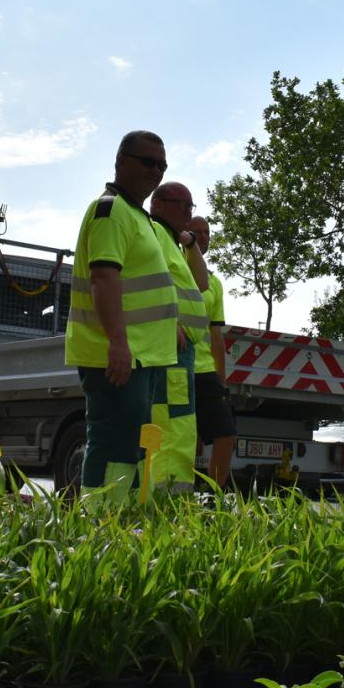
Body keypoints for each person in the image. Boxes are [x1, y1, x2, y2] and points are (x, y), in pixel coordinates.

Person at [63, 131, 179, 495]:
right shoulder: (111, 211)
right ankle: (99, 515)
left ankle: (120, 514)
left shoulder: (135, 215)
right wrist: (118, 343)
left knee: (129, 442)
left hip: (140, 354)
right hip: (118, 354)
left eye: (162, 165)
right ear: (121, 161)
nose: (156, 171)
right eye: (148, 162)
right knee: (113, 439)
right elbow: (103, 278)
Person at [147, 182, 209, 487]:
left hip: (180, 350)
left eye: (191, 206)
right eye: (181, 205)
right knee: (172, 425)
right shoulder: (155, 233)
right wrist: (169, 323)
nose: (188, 212)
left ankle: (171, 493)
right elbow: (145, 279)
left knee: (180, 424)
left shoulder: (173, 242)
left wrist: (191, 243)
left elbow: (201, 282)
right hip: (170, 348)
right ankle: (166, 495)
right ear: (157, 205)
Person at [188, 215, 237, 487]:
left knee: (226, 434)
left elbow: (217, 337)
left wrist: (222, 381)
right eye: (196, 232)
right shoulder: (174, 268)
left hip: (205, 370)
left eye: (207, 232)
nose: (203, 237)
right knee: (185, 437)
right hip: (175, 366)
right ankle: (178, 492)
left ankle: (213, 496)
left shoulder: (214, 283)